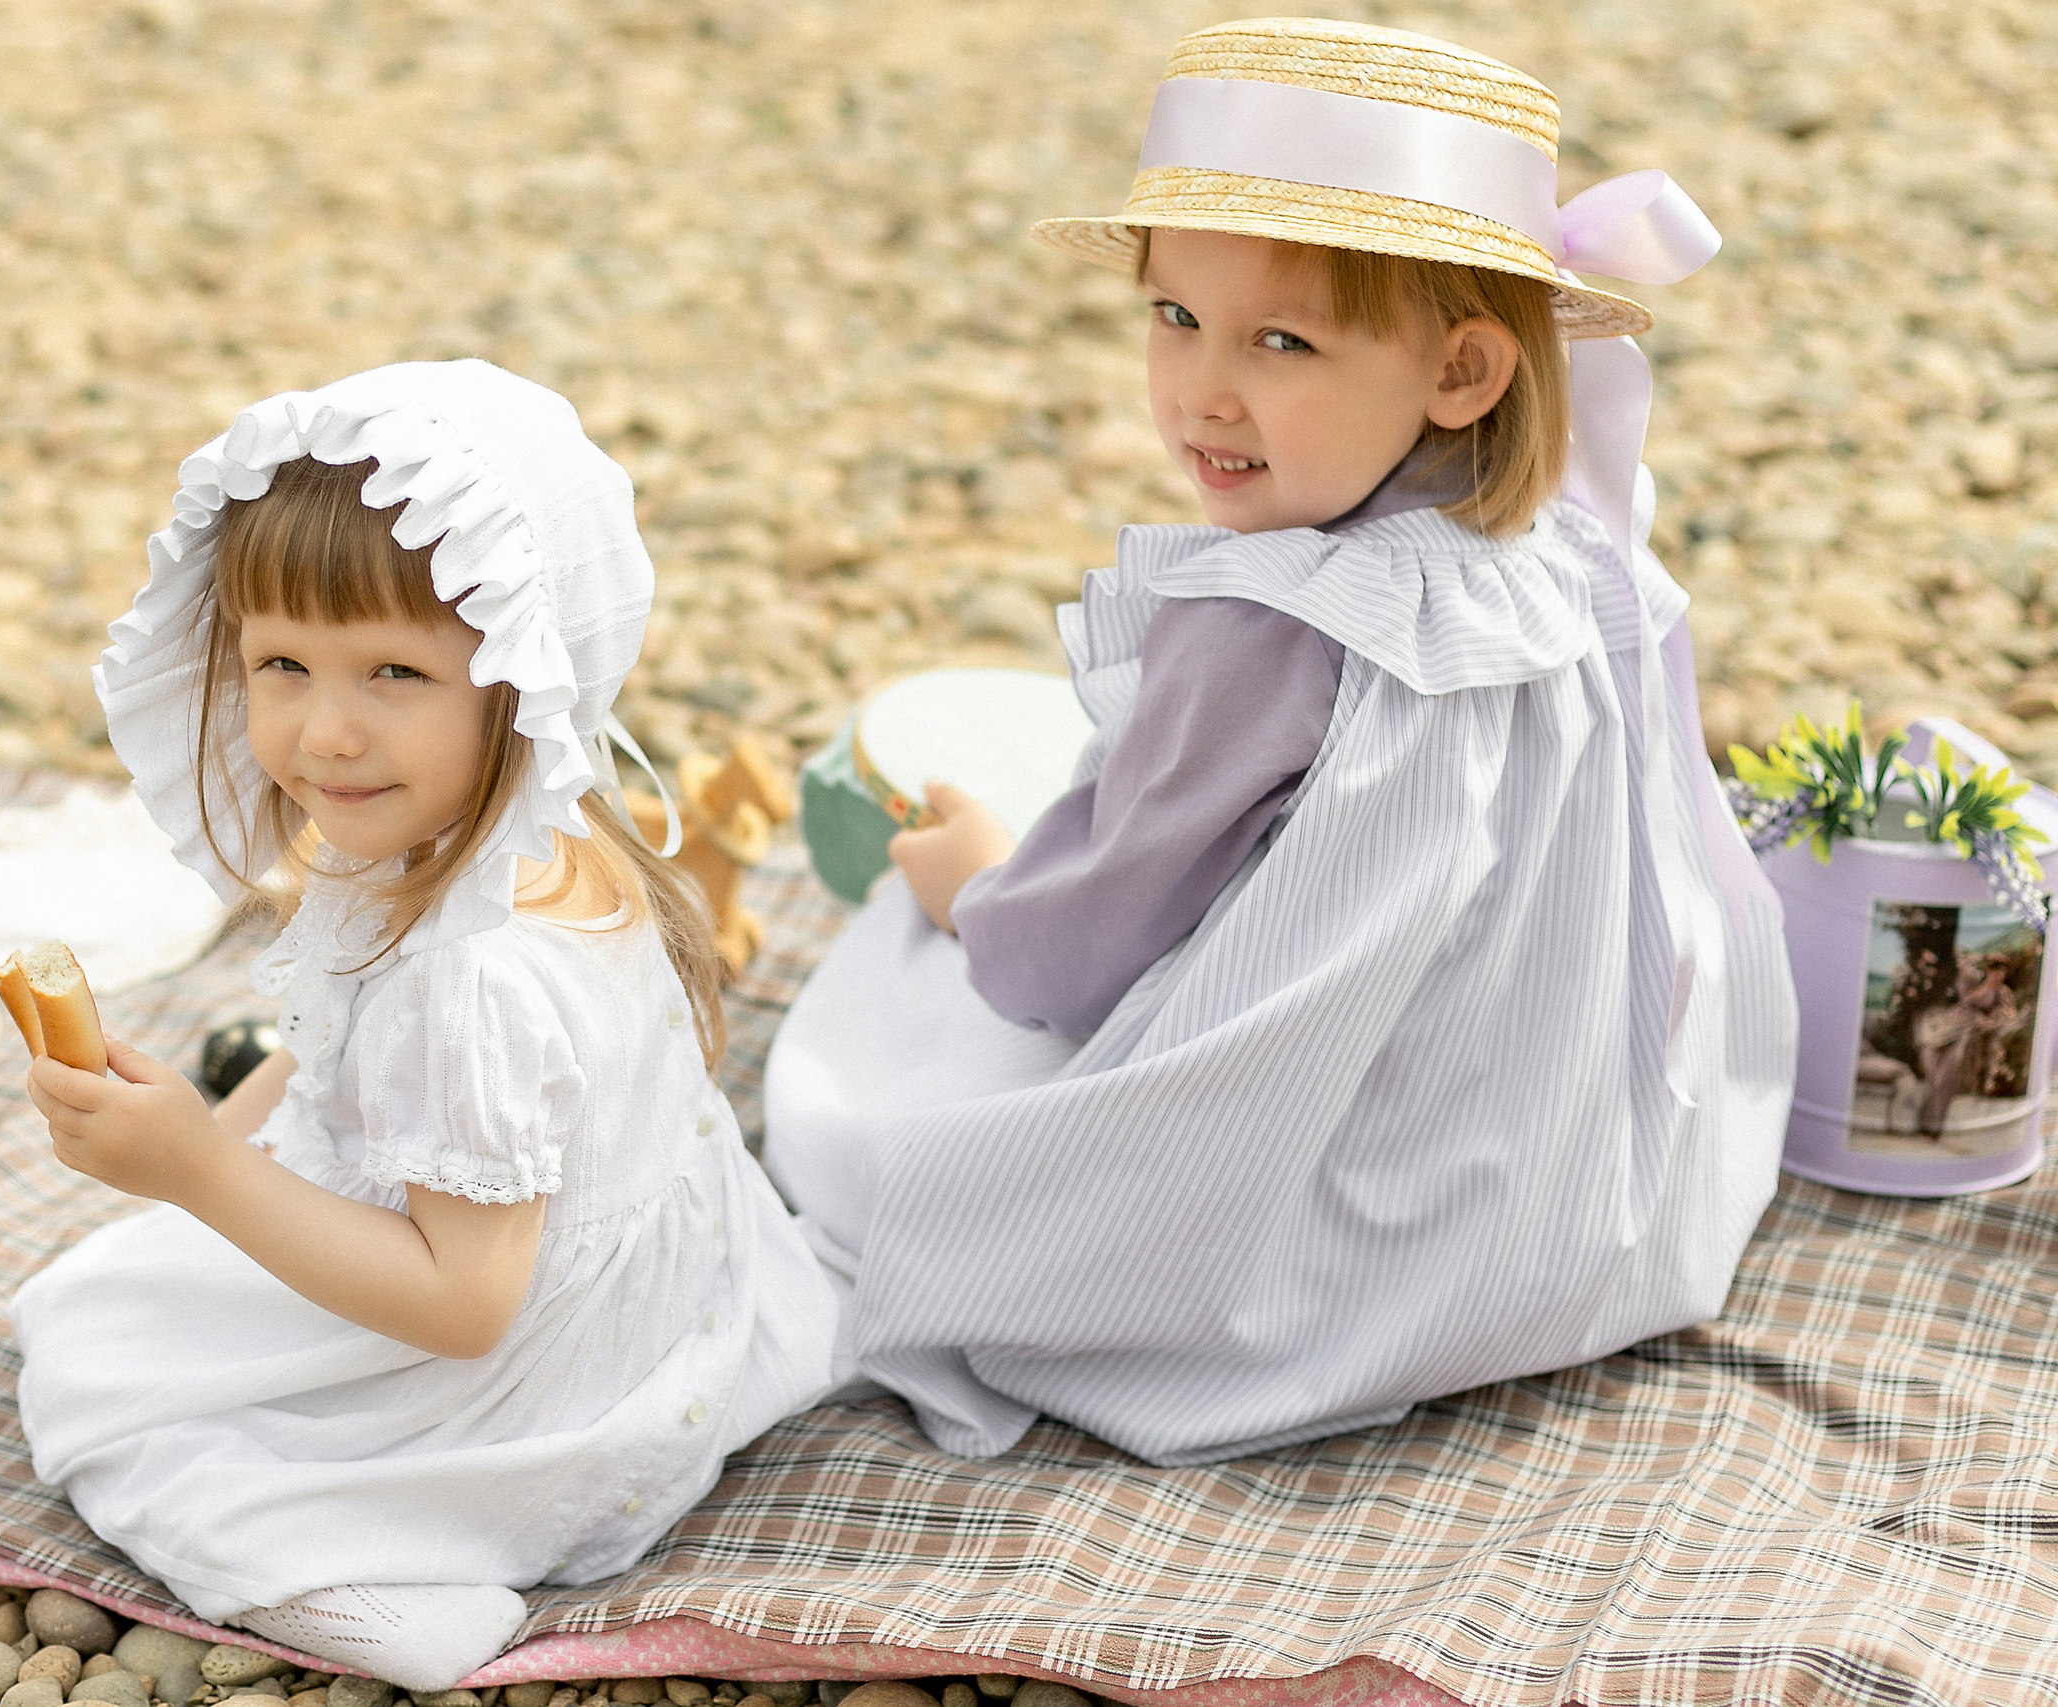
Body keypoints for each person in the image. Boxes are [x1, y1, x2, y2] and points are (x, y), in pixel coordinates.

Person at [762, 18, 1799, 1467]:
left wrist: (973, 889)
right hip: (1555, 1190)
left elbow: (1084, 935)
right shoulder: (1579, 559)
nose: (1203, 391)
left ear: (1462, 372)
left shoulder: (1275, 620)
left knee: (881, 1049)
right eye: (1174, 317)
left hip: (1333, 1226)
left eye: (1281, 339)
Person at [11, 361, 836, 1689]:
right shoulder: (499, 823)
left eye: (394, 670)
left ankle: (379, 1589)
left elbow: (465, 1308)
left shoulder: (472, 982)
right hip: (662, 1299)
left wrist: (203, 1174)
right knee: (131, 1282)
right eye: (282, 663)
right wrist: (211, 1152)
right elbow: (330, 1041)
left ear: (518, 673)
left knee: (103, 1392)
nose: (325, 733)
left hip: (527, 1390)